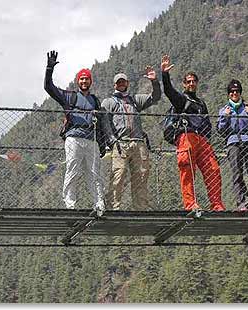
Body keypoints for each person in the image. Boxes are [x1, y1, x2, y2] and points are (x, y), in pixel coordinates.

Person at [44, 50, 109, 214]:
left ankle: (99, 204)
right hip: (73, 137)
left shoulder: (95, 100)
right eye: (82, 78)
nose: (84, 81)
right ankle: (70, 205)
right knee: (72, 170)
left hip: (92, 139)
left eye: (87, 78)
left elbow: (101, 123)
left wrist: (103, 144)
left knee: (95, 174)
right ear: (77, 81)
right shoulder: (69, 97)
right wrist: (49, 69)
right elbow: (48, 87)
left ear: (90, 81)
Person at [160, 54, 226, 212]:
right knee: (187, 170)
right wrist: (165, 74)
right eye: (188, 81)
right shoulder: (181, 99)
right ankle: (190, 205)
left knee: (213, 170)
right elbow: (169, 91)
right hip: (186, 136)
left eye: (193, 81)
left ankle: (216, 204)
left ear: (197, 84)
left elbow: (207, 124)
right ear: (184, 84)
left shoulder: (201, 103)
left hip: (202, 139)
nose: (191, 84)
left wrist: (206, 138)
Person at [101, 67, 161, 210]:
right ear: (114, 85)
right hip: (120, 144)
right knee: (118, 175)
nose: (121, 84)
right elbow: (104, 123)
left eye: (123, 82)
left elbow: (155, 97)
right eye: (118, 82)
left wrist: (154, 81)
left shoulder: (135, 100)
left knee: (141, 177)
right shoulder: (108, 102)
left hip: (139, 144)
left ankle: (140, 209)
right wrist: (112, 141)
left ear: (127, 83)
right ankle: (113, 209)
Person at [217, 79, 248, 211]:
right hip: (233, 143)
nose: (234, 93)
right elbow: (221, 131)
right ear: (228, 94)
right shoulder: (224, 110)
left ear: (240, 92)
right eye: (232, 91)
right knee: (237, 174)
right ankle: (242, 204)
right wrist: (225, 117)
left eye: (237, 91)